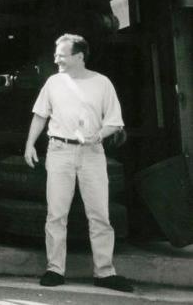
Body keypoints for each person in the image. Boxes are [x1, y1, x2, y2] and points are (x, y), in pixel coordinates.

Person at [24, 33, 133, 293]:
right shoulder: (53, 82)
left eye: (62, 54)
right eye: (56, 53)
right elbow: (40, 115)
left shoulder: (102, 83)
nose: (56, 58)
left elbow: (115, 121)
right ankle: (54, 269)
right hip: (59, 150)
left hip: (92, 153)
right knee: (56, 214)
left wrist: (100, 134)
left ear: (79, 56)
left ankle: (105, 272)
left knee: (99, 214)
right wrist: (29, 144)